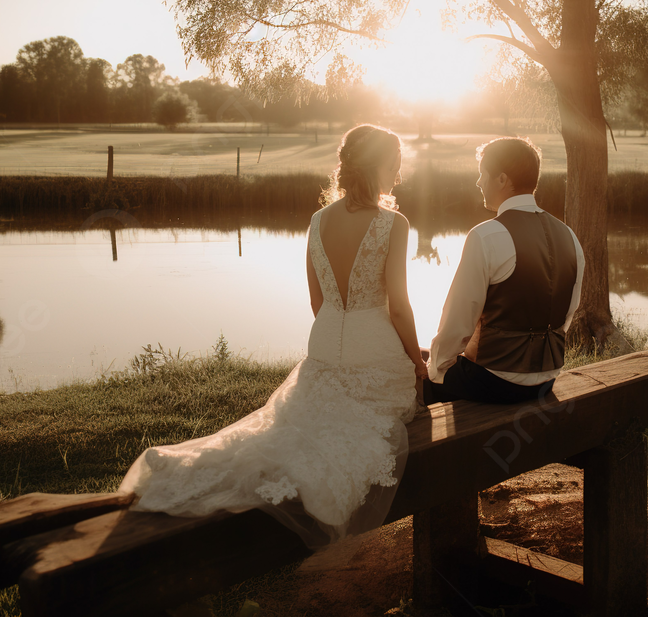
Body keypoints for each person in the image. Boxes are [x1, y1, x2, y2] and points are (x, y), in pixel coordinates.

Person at [119, 124, 427, 548]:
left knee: (295, 427)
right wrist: (416, 360)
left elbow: (318, 303)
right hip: (373, 351)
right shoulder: (393, 223)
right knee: (369, 422)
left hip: (323, 346)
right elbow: (397, 308)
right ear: (378, 166)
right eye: (395, 164)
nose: (399, 173)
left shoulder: (318, 221)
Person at [423, 136, 584, 404]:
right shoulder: (569, 236)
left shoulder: (486, 236)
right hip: (547, 378)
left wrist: (436, 369)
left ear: (501, 179)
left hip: (495, 381)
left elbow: (459, 320)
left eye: (482, 174)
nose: (478, 182)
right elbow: (567, 312)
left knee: (424, 376)